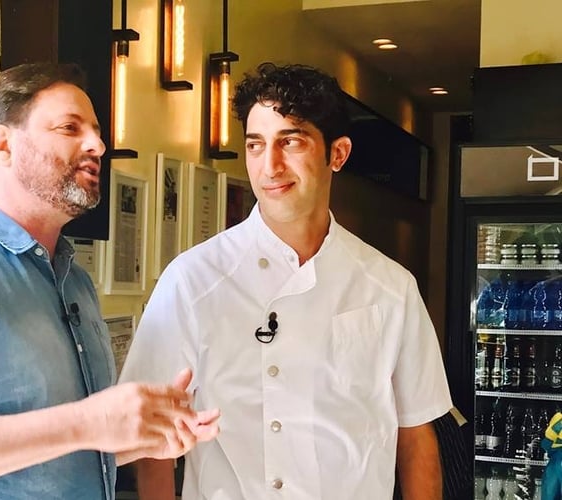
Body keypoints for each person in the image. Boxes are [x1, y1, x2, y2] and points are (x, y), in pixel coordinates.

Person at [0, 63, 219, 500]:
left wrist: (141, 436)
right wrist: (90, 422)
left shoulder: (74, 281)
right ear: (3, 144)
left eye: (96, 131)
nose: (98, 145)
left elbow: (53, 450)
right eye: (70, 128)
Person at [119, 62, 452, 500]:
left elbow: (415, 433)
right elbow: (153, 442)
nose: (270, 166)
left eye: (290, 142)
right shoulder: (193, 279)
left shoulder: (390, 286)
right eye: (256, 145)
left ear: (338, 153)